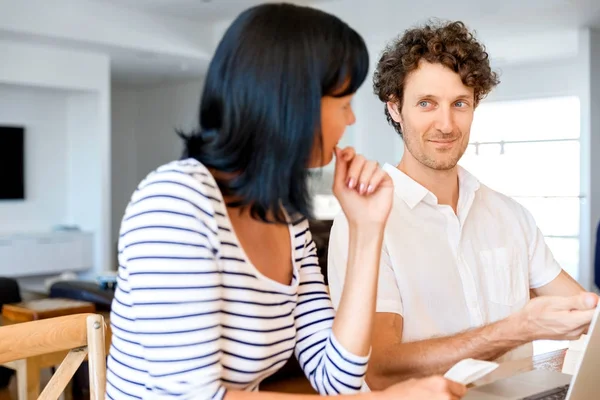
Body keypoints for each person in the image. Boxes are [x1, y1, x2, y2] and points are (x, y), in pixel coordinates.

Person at [105, 4, 466, 400]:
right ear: (295, 102)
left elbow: (336, 377)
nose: (351, 120)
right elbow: (193, 397)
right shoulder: (175, 203)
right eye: (343, 102)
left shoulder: (287, 218)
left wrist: (366, 229)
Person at [327, 20, 600, 391]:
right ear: (395, 108)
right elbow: (379, 366)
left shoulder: (510, 215)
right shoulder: (364, 222)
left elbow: (586, 313)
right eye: (426, 104)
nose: (446, 124)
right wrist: (512, 331)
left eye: (460, 104)